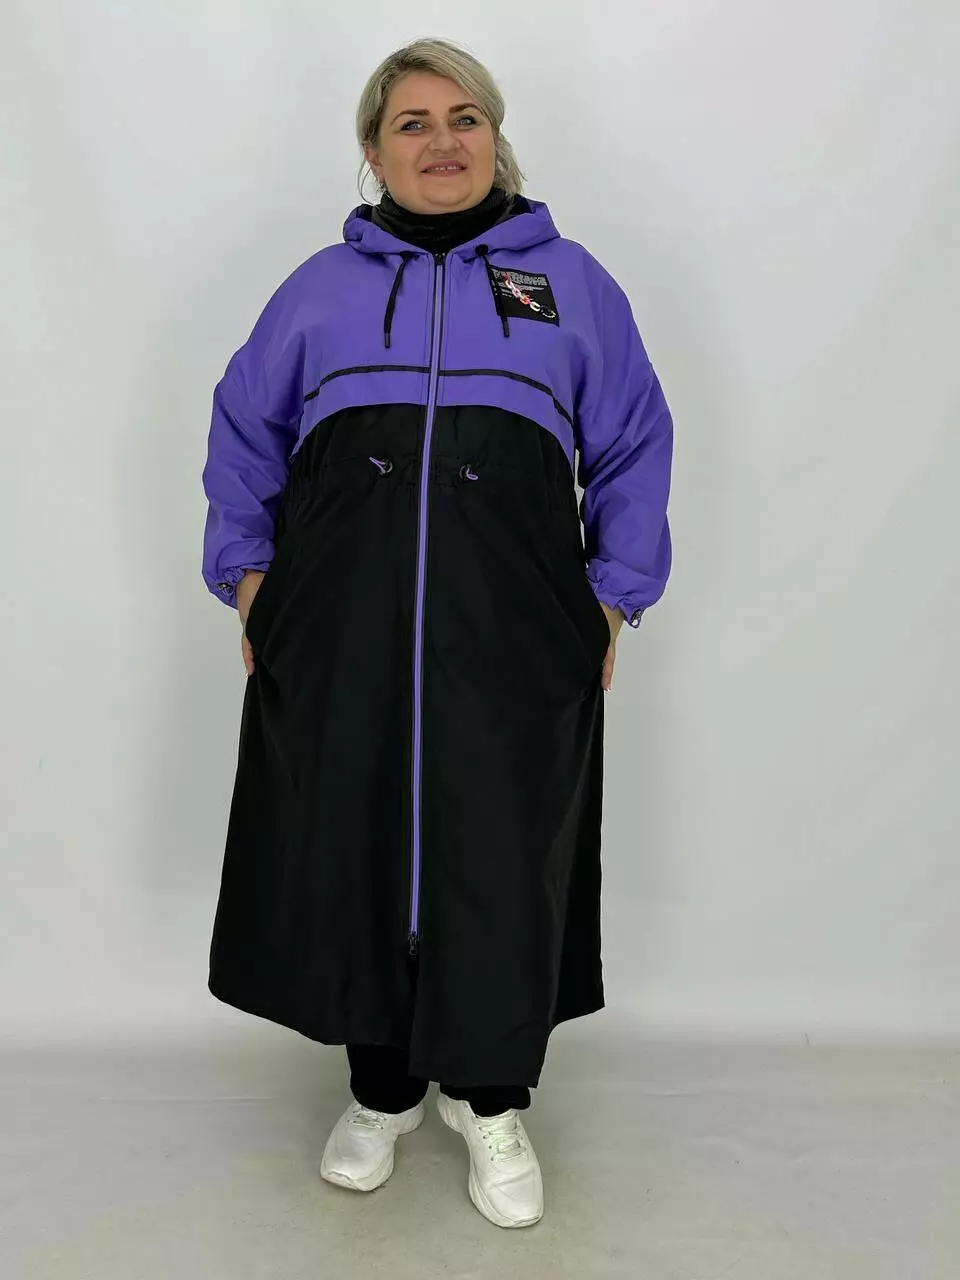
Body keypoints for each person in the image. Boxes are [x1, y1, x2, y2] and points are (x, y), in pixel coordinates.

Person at [200, 37, 673, 1230]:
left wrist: (611, 593)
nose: (443, 141)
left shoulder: (570, 283)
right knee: (350, 832)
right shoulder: (320, 288)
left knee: (506, 844)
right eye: (413, 122)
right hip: (339, 622)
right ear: (375, 151)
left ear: (495, 139)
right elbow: (245, 429)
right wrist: (249, 577)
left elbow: (631, 440)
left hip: (517, 626)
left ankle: (492, 1095)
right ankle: (381, 1085)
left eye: (465, 118)